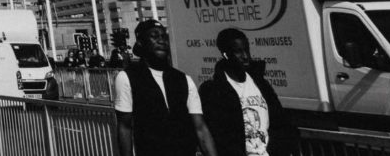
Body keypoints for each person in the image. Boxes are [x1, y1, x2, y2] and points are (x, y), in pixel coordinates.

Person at [113, 18, 219, 156]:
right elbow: (125, 127)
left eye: (163, 36)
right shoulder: (127, 78)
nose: (161, 41)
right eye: (154, 36)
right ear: (140, 42)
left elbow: (200, 128)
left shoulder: (184, 80)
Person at [199, 27, 299, 156]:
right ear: (226, 55)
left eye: (246, 50)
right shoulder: (214, 90)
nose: (245, 56)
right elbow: (220, 135)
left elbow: (280, 122)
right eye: (238, 52)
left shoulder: (260, 83)